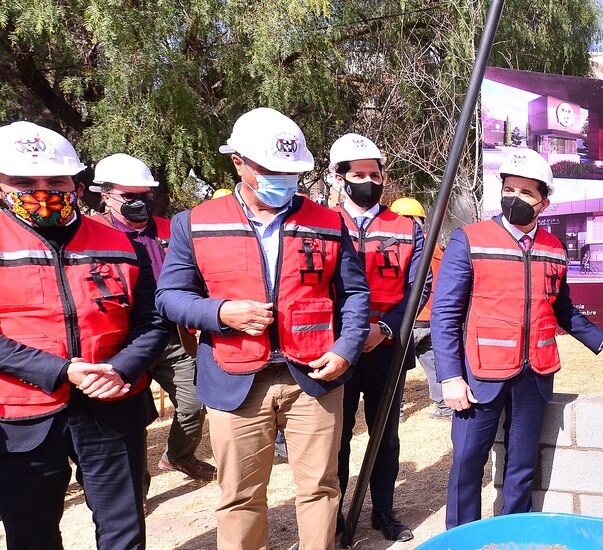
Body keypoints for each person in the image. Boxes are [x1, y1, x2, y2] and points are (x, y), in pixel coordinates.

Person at [156, 107, 371, 550]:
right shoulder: (194, 223)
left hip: (314, 377)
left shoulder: (330, 223)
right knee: (239, 496)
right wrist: (220, 312)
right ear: (238, 161)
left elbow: (354, 294)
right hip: (234, 379)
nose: (283, 180)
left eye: (292, 172)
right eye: (271, 169)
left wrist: (347, 348)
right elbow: (169, 297)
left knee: (320, 489)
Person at [432, 148, 603, 529]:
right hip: (479, 375)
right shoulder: (469, 239)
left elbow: (563, 307)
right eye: (510, 189)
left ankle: (512, 534)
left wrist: (600, 339)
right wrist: (450, 376)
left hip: (534, 375)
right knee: (468, 462)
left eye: (526, 193)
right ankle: (462, 539)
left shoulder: (554, 248)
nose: (515, 199)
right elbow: (445, 314)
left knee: (521, 466)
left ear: (544, 202)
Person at [0, 122, 169, 548]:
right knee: (31, 534)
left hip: (113, 404)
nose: (43, 190)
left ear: (76, 184)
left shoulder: (118, 242)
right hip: (23, 414)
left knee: (123, 529)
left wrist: (121, 368)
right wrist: (62, 370)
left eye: (56, 180)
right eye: (24, 181)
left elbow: (152, 318)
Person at [89, 153, 216, 482]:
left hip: (174, 335)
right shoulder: (91, 233)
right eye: (129, 196)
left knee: (194, 403)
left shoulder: (169, 228)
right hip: (120, 342)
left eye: (145, 195)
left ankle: (178, 456)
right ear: (105, 195)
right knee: (129, 419)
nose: (140, 203)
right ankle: (136, 488)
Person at [328, 134, 428, 542]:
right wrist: (351, 336)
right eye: (358, 174)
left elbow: (419, 284)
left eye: (374, 173)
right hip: (336, 351)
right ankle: (333, 518)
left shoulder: (407, 227)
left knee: (384, 436)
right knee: (335, 439)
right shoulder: (318, 222)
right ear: (339, 178)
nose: (368, 180)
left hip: (388, 347)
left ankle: (383, 511)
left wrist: (384, 327)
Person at [389, 196, 451, 419]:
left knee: (395, 368)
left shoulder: (398, 247)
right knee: (435, 364)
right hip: (432, 317)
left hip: (408, 318)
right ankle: (445, 406)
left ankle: (396, 410)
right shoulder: (435, 245)